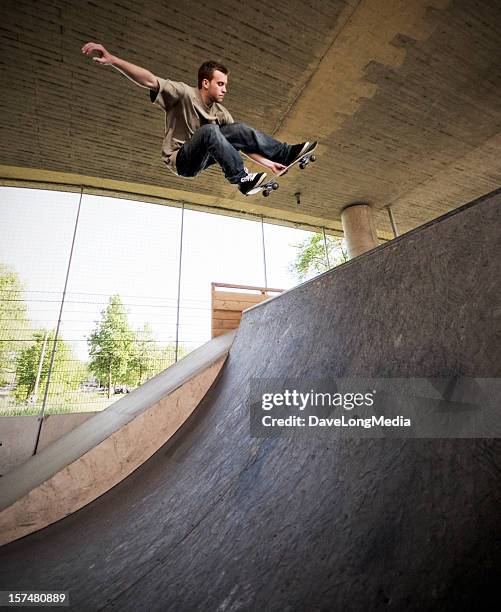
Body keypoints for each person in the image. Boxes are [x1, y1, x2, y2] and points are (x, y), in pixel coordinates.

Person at [81, 42, 317, 196]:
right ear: (206, 83)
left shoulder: (221, 113)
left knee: (238, 130)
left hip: (205, 157)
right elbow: (149, 80)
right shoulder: (182, 93)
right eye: (220, 84)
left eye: (226, 85)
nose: (225, 90)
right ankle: (241, 179)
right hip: (182, 161)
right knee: (209, 132)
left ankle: (285, 153)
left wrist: (268, 163)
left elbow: (242, 144)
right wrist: (114, 61)